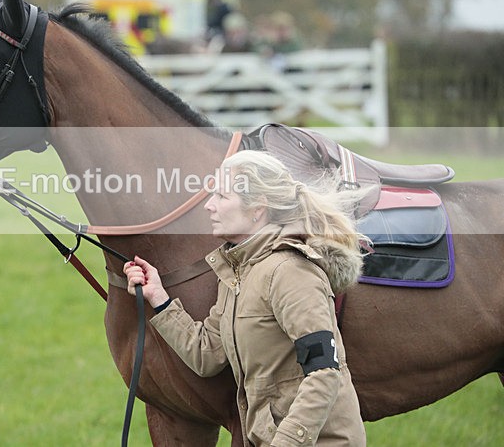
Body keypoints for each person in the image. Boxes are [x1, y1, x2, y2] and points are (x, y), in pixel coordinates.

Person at [124, 150, 367, 446]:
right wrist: (159, 298)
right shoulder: (238, 273)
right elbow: (207, 354)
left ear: (257, 209)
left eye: (221, 196)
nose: (209, 206)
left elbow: (324, 373)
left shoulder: (291, 272)